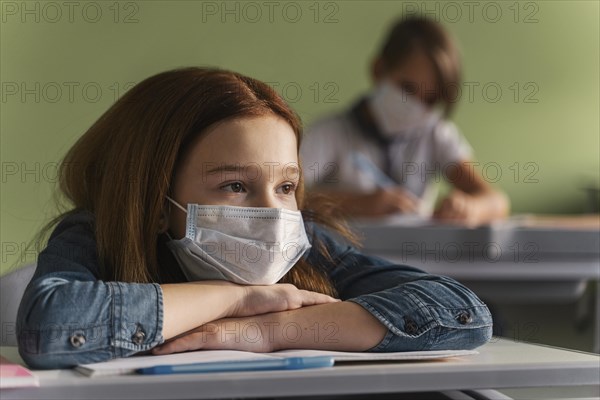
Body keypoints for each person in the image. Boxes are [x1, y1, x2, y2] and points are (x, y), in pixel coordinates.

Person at [16, 67, 492, 370]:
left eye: (286, 187)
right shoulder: (93, 234)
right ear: (158, 204)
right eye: (236, 186)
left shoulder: (314, 246)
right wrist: (237, 298)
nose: (273, 212)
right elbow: (51, 328)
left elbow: (461, 315)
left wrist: (267, 329)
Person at [301, 16, 509, 225]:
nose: (416, 106)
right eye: (407, 88)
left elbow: (497, 201)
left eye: (430, 99)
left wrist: (469, 208)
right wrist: (356, 204)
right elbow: (283, 194)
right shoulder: (330, 133)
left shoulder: (435, 134)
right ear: (378, 70)